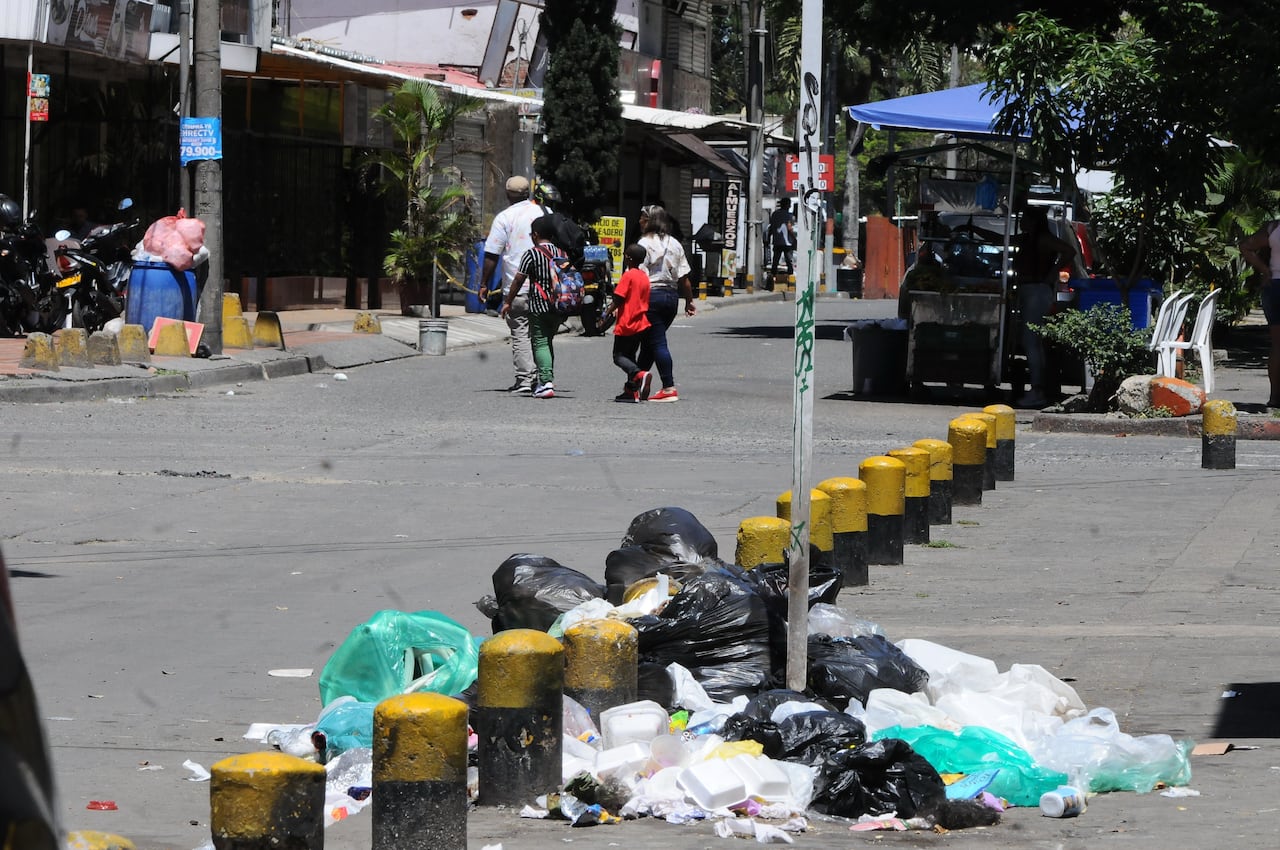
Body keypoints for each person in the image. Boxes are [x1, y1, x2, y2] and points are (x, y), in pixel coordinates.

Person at [481, 176, 543, 395]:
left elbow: (492, 254)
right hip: (545, 288)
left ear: (508, 194)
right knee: (541, 334)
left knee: (520, 331)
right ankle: (543, 379)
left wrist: (484, 284)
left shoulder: (504, 218)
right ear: (528, 193)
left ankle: (525, 379)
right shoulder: (544, 213)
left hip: (518, 289)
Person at [1013, 206, 1075, 408]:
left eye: (1025, 218)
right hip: (1030, 290)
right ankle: (1038, 387)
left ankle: (1038, 389)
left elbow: (1069, 251)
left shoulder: (1042, 239)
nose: (1021, 222)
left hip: (1037, 290)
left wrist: (1054, 271)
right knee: (1033, 341)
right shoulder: (1029, 239)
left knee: (1031, 340)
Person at [635, 205, 696, 402]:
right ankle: (635, 385)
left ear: (650, 220)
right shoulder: (675, 243)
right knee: (650, 342)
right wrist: (689, 301)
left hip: (651, 296)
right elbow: (684, 277)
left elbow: (639, 276)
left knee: (657, 342)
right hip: (671, 297)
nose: (640, 221)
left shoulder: (644, 243)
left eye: (643, 218)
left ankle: (668, 387)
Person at [501, 215, 563, 399]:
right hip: (559, 306)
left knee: (540, 342)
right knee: (548, 341)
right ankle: (547, 377)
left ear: (535, 235)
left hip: (539, 305)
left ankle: (545, 382)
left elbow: (519, 279)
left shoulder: (532, 254)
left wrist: (508, 301)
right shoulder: (561, 252)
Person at [1239, 220, 1280, 407]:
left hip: (1275, 287)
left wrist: (1265, 271)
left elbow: (1245, 246)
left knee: (1277, 345)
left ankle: (1275, 397)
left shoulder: (1273, 228)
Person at [606, 243, 653, 403]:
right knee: (630, 356)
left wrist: (606, 312)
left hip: (627, 322)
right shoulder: (644, 277)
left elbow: (618, 297)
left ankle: (639, 374)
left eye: (626, 255)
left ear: (629, 258)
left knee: (618, 356)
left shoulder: (629, 275)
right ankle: (631, 391)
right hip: (641, 323)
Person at [769, 197, 796, 281]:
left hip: (777, 241)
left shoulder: (774, 214)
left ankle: (772, 277)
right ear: (787, 205)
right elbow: (789, 228)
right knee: (789, 261)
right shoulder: (789, 215)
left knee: (775, 261)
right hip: (787, 242)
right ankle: (790, 278)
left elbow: (771, 227)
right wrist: (794, 239)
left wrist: (768, 237)